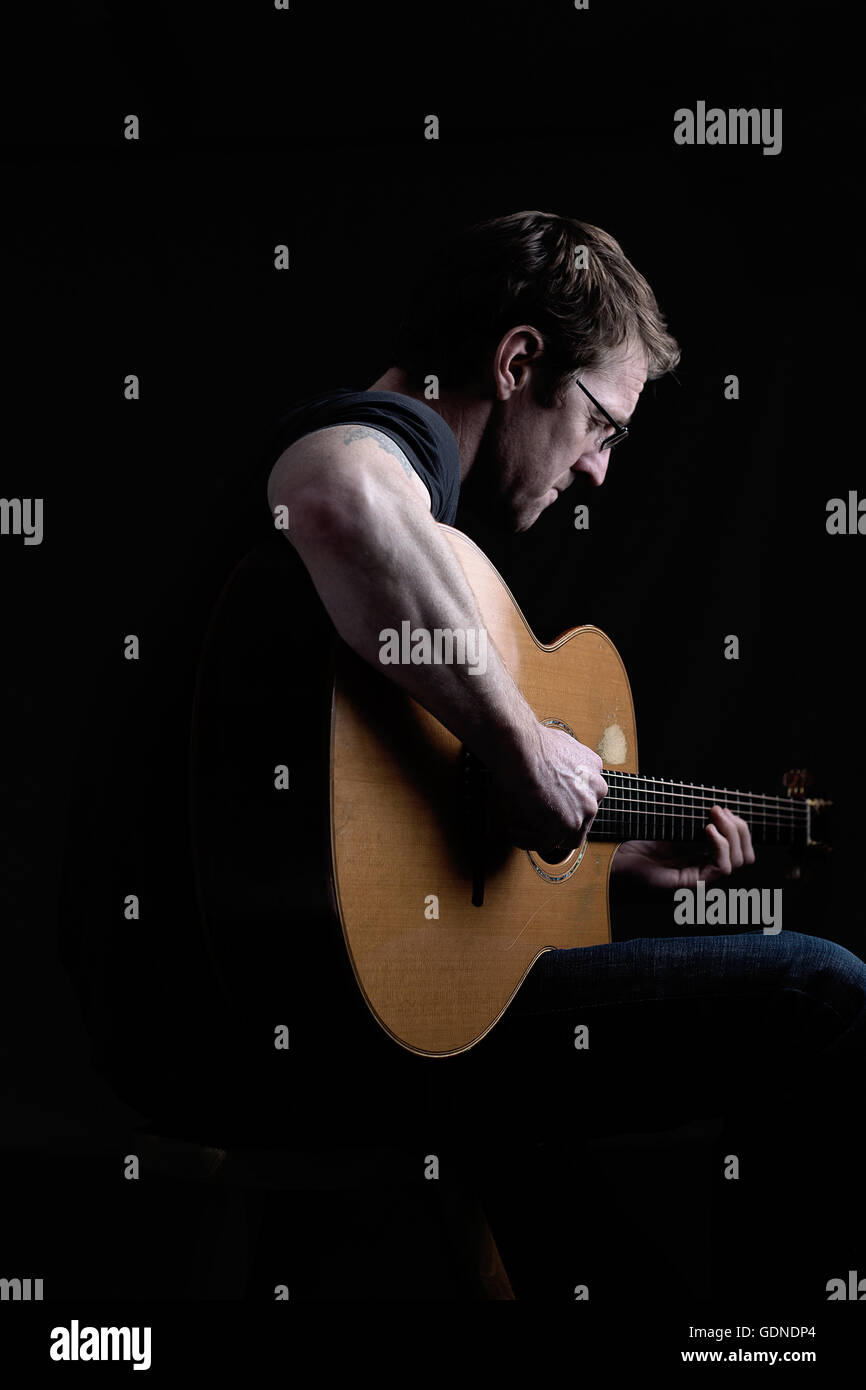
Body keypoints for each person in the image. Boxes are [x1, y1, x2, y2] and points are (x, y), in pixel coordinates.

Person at [262, 211, 866, 1296]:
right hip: (295, 1014)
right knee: (825, 990)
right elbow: (328, 494)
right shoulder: (389, 445)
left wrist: (610, 867)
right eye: (599, 426)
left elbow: (397, 837)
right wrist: (519, 746)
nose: (596, 474)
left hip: (328, 998)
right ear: (518, 360)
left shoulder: (437, 534)